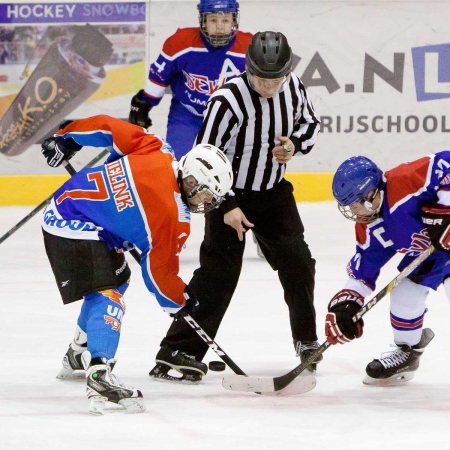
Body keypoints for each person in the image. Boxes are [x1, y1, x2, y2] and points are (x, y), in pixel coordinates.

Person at [148, 31, 322, 384]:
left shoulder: (293, 87)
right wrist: (226, 204)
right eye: (261, 77)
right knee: (219, 273)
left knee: (298, 262)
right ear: (248, 68)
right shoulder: (226, 100)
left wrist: (295, 145)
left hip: (272, 191)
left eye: (276, 77)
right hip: (226, 193)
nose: (269, 85)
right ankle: (177, 351)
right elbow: (202, 157)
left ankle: (306, 339)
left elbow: (310, 124)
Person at [40, 115, 233, 413]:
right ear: (192, 180)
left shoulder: (158, 149)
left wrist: (68, 136)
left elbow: (107, 127)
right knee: (108, 295)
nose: (206, 204)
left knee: (117, 280)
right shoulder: (175, 219)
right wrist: (179, 299)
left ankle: (79, 352)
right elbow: (159, 275)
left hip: (74, 208)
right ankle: (99, 373)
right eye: (207, 194)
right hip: (73, 223)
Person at [324, 152, 450, 385]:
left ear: (371, 194)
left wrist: (447, 205)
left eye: (354, 204)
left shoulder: (404, 181)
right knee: (404, 294)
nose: (354, 213)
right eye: (349, 207)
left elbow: (447, 161)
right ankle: (408, 351)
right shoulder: (371, 227)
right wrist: (346, 304)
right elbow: (362, 273)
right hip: (435, 252)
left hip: (443, 242)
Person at [128, 0, 252, 160]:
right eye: (213, 20)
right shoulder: (181, 43)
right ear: (203, 21)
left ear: (234, 21)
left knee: (233, 168)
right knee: (176, 164)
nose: (220, 26)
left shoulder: (249, 48)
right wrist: (144, 105)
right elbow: (159, 77)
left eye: (225, 20)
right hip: (187, 114)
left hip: (229, 118)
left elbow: (261, 87)